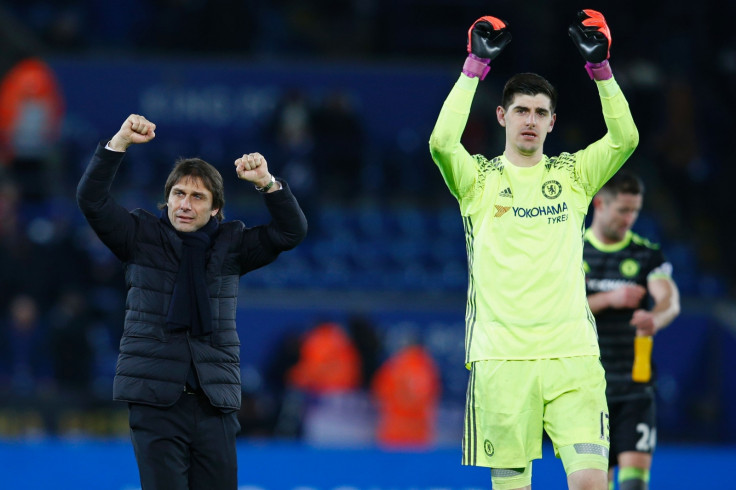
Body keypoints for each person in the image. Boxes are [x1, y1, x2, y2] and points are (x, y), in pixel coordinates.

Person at [429, 10, 639, 490]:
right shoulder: (477, 182)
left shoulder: (574, 177)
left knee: (591, 483)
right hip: (501, 361)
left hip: (572, 356)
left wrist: (601, 70)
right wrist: (473, 68)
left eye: (540, 112)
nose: (530, 120)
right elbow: (442, 142)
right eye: (521, 110)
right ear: (502, 115)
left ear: (552, 122)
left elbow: (625, 138)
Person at [76, 114, 307, 489]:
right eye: (178, 194)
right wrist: (119, 141)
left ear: (215, 208)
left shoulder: (231, 244)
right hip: (155, 401)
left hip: (213, 403)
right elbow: (91, 200)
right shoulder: (140, 236)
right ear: (166, 200)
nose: (185, 204)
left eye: (197, 196)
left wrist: (267, 183)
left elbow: (291, 231)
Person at [583, 171, 680, 490]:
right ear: (600, 203)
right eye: (623, 210)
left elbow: (668, 299)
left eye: (635, 211)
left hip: (634, 385)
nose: (630, 218)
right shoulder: (571, 250)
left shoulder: (645, 253)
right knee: (596, 483)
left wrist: (655, 318)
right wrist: (610, 298)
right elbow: (554, 308)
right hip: (586, 388)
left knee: (634, 485)